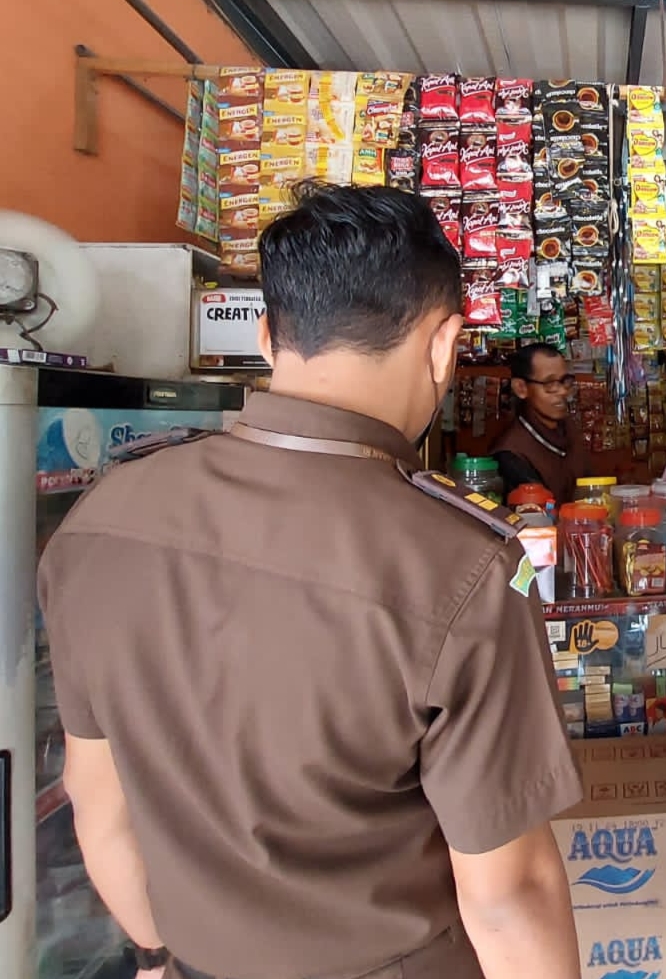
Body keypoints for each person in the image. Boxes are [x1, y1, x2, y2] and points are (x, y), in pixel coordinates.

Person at [37, 183, 583, 979]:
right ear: (444, 345)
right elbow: (508, 895)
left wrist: (159, 952)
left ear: (266, 336)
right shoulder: (465, 570)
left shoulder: (102, 517)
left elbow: (96, 798)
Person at [491, 342, 589, 502]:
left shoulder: (569, 430)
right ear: (521, 388)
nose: (563, 391)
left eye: (565, 381)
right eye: (550, 384)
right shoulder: (511, 453)